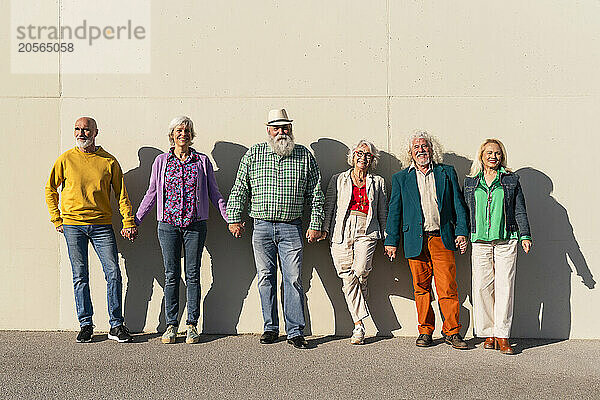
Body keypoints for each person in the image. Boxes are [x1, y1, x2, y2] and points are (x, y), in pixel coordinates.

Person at [226, 108, 325, 349]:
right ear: (268, 130)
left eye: (285, 127)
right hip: (260, 227)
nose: (281, 132)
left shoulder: (304, 156)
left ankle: (295, 331)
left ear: (291, 129)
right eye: (276, 127)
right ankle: (270, 327)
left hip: (292, 227)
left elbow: (316, 194)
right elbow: (241, 188)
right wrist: (234, 218)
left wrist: (315, 224)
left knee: (292, 280)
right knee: (265, 278)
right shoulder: (254, 154)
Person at [135, 116, 228, 344]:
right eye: (179, 130)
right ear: (172, 134)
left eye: (187, 130)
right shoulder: (161, 161)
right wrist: (134, 220)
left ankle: (192, 325)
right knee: (171, 275)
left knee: (193, 274)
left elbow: (214, 194)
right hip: (167, 225)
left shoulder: (202, 162)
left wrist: (230, 218)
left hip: (195, 225)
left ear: (192, 134)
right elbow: (152, 193)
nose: (183, 134)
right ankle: (171, 325)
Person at [45, 117, 136, 343]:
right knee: (80, 276)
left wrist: (128, 221)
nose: (81, 133)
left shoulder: (109, 161)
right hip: (73, 225)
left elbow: (121, 195)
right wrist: (57, 219)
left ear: (96, 132)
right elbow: (50, 189)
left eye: (86, 129)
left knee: (113, 273)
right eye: (77, 129)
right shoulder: (65, 159)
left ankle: (116, 325)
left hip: (102, 225)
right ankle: (86, 324)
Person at [384, 130, 469, 349]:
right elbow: (395, 211)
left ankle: (452, 332)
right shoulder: (401, 178)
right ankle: (425, 331)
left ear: (432, 149)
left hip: (441, 238)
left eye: (424, 146)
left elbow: (458, 205)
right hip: (415, 239)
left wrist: (462, 231)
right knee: (421, 288)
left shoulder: (446, 173)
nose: (421, 150)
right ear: (410, 152)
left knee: (447, 287)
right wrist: (391, 240)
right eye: (416, 147)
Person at [464, 139, 532, 355]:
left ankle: (503, 335)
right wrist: (462, 235)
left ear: (502, 157)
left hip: (506, 238)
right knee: (482, 287)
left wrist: (525, 235)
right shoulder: (471, 181)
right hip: (479, 240)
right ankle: (488, 333)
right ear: (481, 155)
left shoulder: (511, 180)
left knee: (505, 286)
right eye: (489, 153)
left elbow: (519, 209)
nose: (493, 156)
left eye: (498, 153)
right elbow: (465, 211)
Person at [323, 140, 387, 344]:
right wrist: (324, 229)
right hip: (341, 227)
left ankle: (363, 285)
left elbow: (383, 210)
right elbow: (329, 205)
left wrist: (387, 238)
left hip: (367, 227)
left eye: (368, 155)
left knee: (360, 271)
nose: (363, 157)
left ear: (373, 159)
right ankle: (358, 326)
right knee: (346, 276)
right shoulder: (338, 179)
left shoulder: (378, 182)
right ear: (352, 156)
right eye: (360, 153)